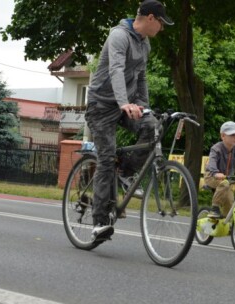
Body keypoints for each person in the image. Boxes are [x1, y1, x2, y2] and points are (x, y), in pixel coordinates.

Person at [85, 0, 174, 241]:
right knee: (105, 158)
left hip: (127, 105)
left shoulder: (145, 45)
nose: (162, 29)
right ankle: (100, 221)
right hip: (102, 105)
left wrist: (145, 109)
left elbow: (141, 78)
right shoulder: (119, 36)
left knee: (153, 127)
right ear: (151, 18)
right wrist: (123, 102)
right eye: (162, 23)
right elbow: (116, 69)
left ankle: (125, 170)